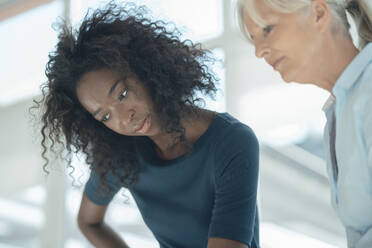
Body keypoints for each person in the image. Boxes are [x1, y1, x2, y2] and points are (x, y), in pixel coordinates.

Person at [35, 2, 260, 248]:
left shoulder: (231, 142)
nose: (124, 118)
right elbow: (88, 222)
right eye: (105, 117)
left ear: (146, 68)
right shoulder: (121, 155)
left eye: (122, 95)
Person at [236, 0, 372, 247]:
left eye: (267, 29)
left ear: (319, 14)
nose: (258, 51)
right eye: (254, 38)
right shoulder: (337, 116)